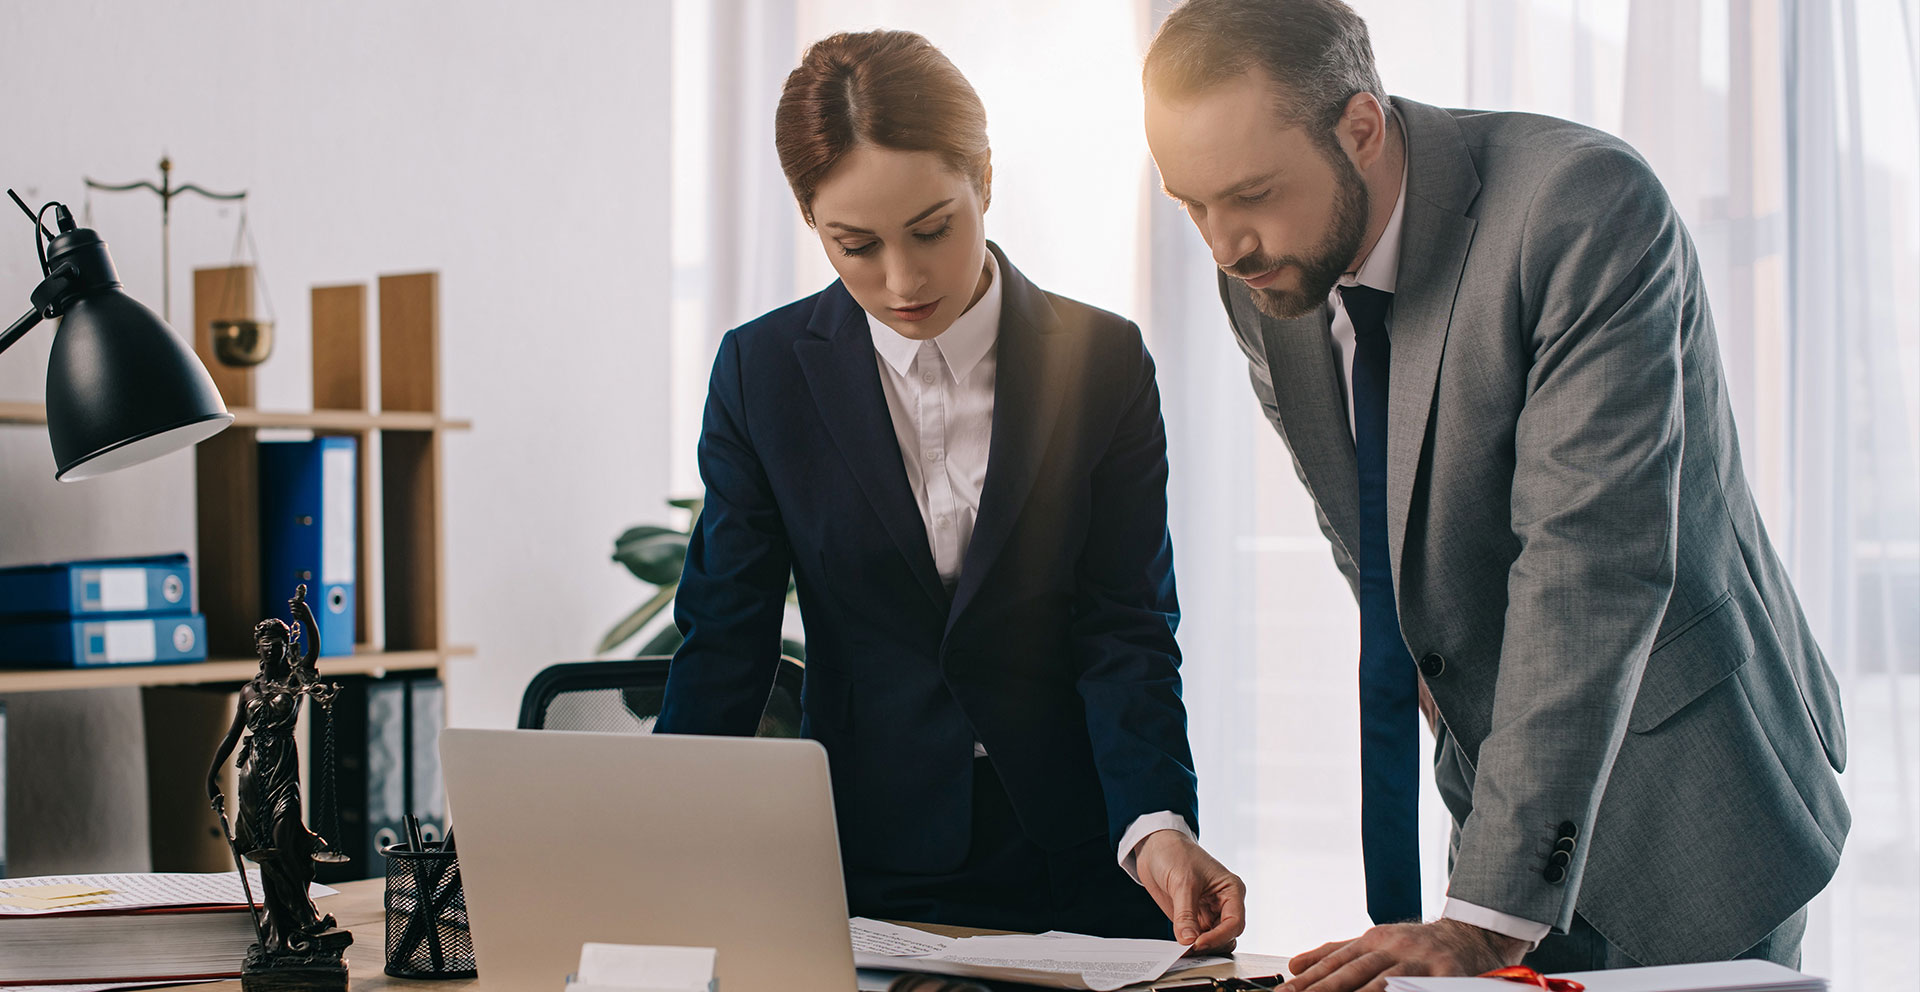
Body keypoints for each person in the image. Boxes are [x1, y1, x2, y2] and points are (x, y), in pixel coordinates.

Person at [1140, 0, 1848, 984]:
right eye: (1191, 204)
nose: (1223, 244)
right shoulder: (1264, 275)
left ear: (1360, 127)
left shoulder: (1583, 208)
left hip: (1690, 791)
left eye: (1252, 193)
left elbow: (1589, 560)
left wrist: (1485, 914)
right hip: (1498, 808)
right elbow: (1366, 530)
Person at [656, 28, 1244, 949]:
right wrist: (662, 849)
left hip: (1079, 855)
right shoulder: (761, 375)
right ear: (811, 223)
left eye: (934, 229)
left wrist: (1157, 825)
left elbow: (1124, 624)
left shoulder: (1103, 362)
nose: (902, 280)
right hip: (869, 863)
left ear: (986, 181)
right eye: (855, 245)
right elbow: (728, 636)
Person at [208, 584, 350, 958]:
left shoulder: (295, 680)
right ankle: (286, 926)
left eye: (277, 642)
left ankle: (305, 916)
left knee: (286, 838)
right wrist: (211, 776)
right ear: (258, 649)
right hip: (253, 771)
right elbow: (231, 736)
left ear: (286, 647)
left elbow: (314, 651)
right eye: (265, 643)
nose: (270, 648)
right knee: (261, 848)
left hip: (284, 768)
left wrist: (306, 617)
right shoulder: (248, 691)